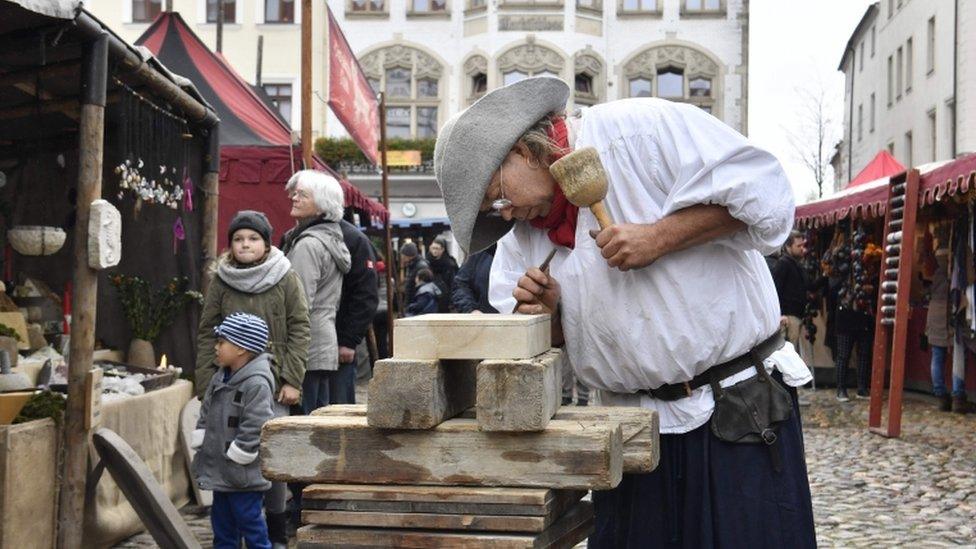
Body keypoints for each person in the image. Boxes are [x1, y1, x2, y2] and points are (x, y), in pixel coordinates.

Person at [433, 77, 815, 547]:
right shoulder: (525, 234)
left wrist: (661, 236)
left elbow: (768, 199)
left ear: (523, 150)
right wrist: (548, 315)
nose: (505, 213)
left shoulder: (639, 131)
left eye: (498, 193)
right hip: (627, 433)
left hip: (735, 413)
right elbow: (544, 341)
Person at [195, 210, 309, 548]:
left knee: (269, 457)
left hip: (271, 381)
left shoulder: (285, 277)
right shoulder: (221, 280)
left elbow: (301, 327)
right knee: (225, 447)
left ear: (266, 242)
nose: (245, 244)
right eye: (239, 239)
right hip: (228, 379)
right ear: (230, 245)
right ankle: (229, 530)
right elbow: (206, 331)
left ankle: (272, 530)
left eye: (253, 238)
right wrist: (206, 383)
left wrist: (291, 378)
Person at [192, 313, 276, 549]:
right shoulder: (220, 377)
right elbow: (206, 410)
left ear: (241, 349)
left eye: (221, 342)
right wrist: (203, 436)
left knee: (250, 523)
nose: (216, 347)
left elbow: (257, 423)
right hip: (221, 471)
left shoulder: (256, 383)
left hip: (243, 474)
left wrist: (239, 451)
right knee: (222, 526)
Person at [280, 170, 352, 414]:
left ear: (322, 205)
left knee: (302, 424)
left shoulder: (309, 245)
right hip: (321, 344)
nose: (294, 198)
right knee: (317, 419)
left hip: (306, 349)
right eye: (294, 193)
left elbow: (297, 304)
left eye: (303, 195)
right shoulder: (328, 238)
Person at [332, 218, 379, 403]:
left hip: (340, 340)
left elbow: (366, 294)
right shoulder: (295, 234)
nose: (295, 198)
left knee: (339, 406)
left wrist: (349, 340)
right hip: (312, 342)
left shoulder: (353, 239)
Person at [451, 244, 498, 314]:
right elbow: (461, 284)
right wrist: (471, 309)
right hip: (483, 320)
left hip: (516, 319)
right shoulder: (482, 252)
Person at [426, 237, 459, 312]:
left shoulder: (449, 264)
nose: (434, 251)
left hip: (445, 300)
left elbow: (453, 284)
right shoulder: (427, 262)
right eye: (433, 248)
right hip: (431, 298)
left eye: (437, 248)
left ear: (442, 249)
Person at [399, 242, 429, 308]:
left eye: (403, 255)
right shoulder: (411, 265)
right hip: (412, 302)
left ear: (409, 255)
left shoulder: (421, 267)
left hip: (416, 303)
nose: (402, 257)